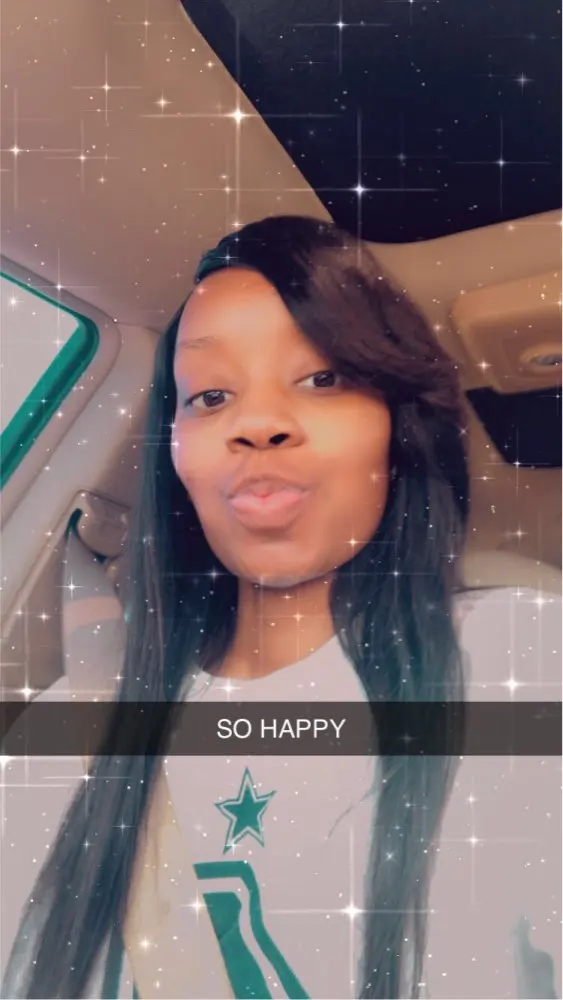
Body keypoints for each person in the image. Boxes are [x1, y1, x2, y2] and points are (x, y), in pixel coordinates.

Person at [1, 215, 559, 999]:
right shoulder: (74, 723)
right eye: (210, 395)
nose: (257, 425)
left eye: (323, 378)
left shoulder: (520, 663)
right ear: (175, 455)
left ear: (398, 427)